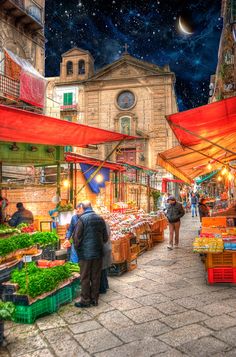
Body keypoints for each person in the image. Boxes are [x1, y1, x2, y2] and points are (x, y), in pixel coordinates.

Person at [72, 201, 108, 308]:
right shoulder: (100, 218)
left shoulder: (82, 219)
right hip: (98, 253)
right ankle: (94, 300)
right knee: (96, 277)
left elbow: (76, 239)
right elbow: (105, 238)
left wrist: (79, 250)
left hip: (85, 255)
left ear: (83, 207)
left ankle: (85, 300)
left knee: (85, 277)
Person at [99, 223, 112, 294]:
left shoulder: (101, 225)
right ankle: (106, 285)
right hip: (107, 247)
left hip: (103, 248)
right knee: (103, 269)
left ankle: (103, 288)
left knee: (102, 268)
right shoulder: (106, 224)